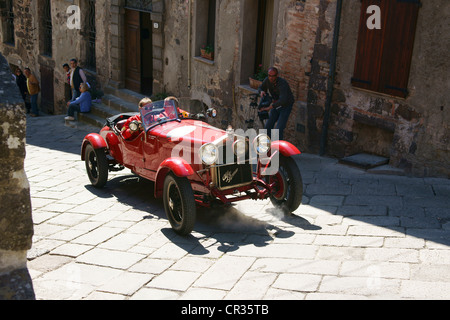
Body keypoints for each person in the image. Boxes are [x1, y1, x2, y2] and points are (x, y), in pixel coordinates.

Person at [258, 67, 295, 141]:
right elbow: (261, 87)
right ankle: (266, 146)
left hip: (285, 106)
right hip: (275, 105)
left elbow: (283, 100)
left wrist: (270, 107)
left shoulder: (282, 84)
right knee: (268, 126)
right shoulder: (267, 80)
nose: (271, 78)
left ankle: (278, 149)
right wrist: (261, 91)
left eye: (273, 76)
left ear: (277, 75)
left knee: (278, 129)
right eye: (269, 75)